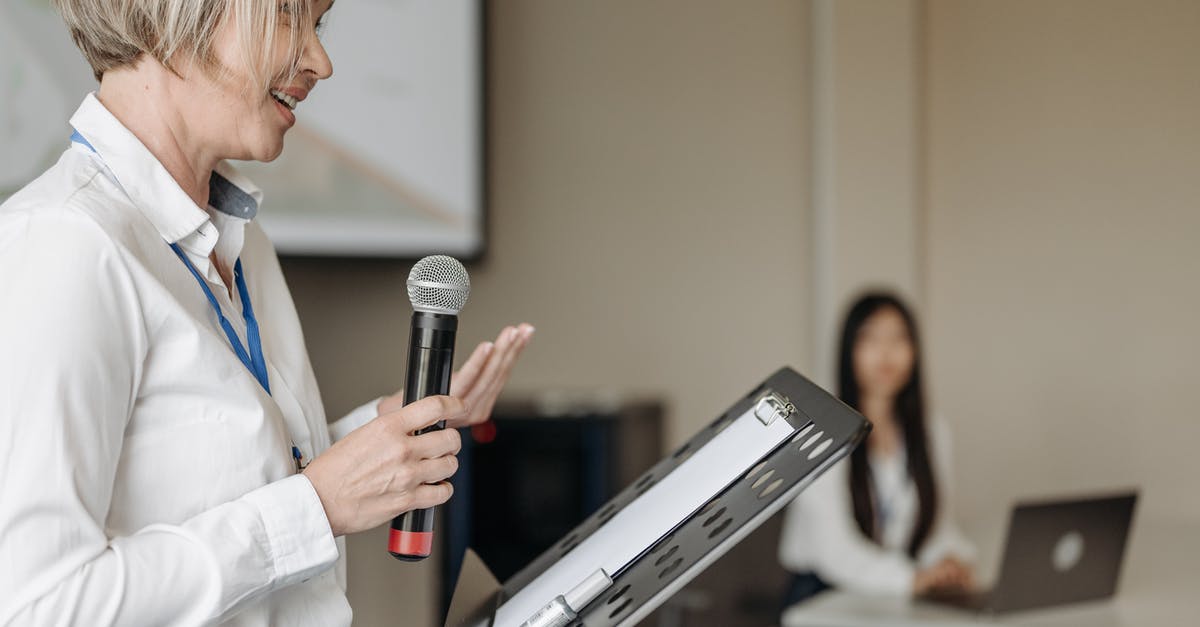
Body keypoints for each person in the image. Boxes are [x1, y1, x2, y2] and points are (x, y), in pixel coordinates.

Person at [0, 0, 532, 624]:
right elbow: (40, 606)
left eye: (319, 25)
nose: (321, 61)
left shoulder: (245, 241)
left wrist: (386, 431)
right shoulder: (66, 245)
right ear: (181, 13)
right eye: (289, 15)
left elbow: (214, 481)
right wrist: (314, 509)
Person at [778, 292, 975, 608]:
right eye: (871, 339)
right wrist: (912, 578)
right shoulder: (818, 431)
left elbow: (936, 524)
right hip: (822, 596)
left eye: (899, 339)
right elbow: (833, 550)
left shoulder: (931, 431)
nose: (886, 353)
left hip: (893, 594)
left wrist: (951, 561)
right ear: (848, 351)